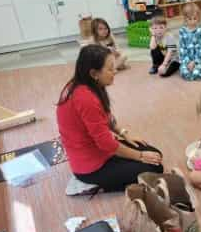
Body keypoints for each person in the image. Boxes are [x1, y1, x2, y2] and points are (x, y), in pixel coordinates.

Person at [56, 45, 163, 192]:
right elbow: (106, 143)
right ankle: (90, 185)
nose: (115, 71)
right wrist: (139, 156)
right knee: (155, 167)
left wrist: (124, 133)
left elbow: (105, 116)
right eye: (110, 69)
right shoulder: (85, 98)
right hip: (90, 167)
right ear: (94, 73)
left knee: (155, 155)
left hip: (98, 150)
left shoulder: (86, 83)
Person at [178, 3, 201, 80]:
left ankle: (200, 69)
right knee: (185, 72)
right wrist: (187, 62)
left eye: (195, 18)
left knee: (196, 73)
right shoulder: (182, 31)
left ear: (199, 18)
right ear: (185, 19)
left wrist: (194, 62)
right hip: (187, 59)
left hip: (199, 59)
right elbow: (182, 48)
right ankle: (188, 68)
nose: (192, 21)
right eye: (190, 19)